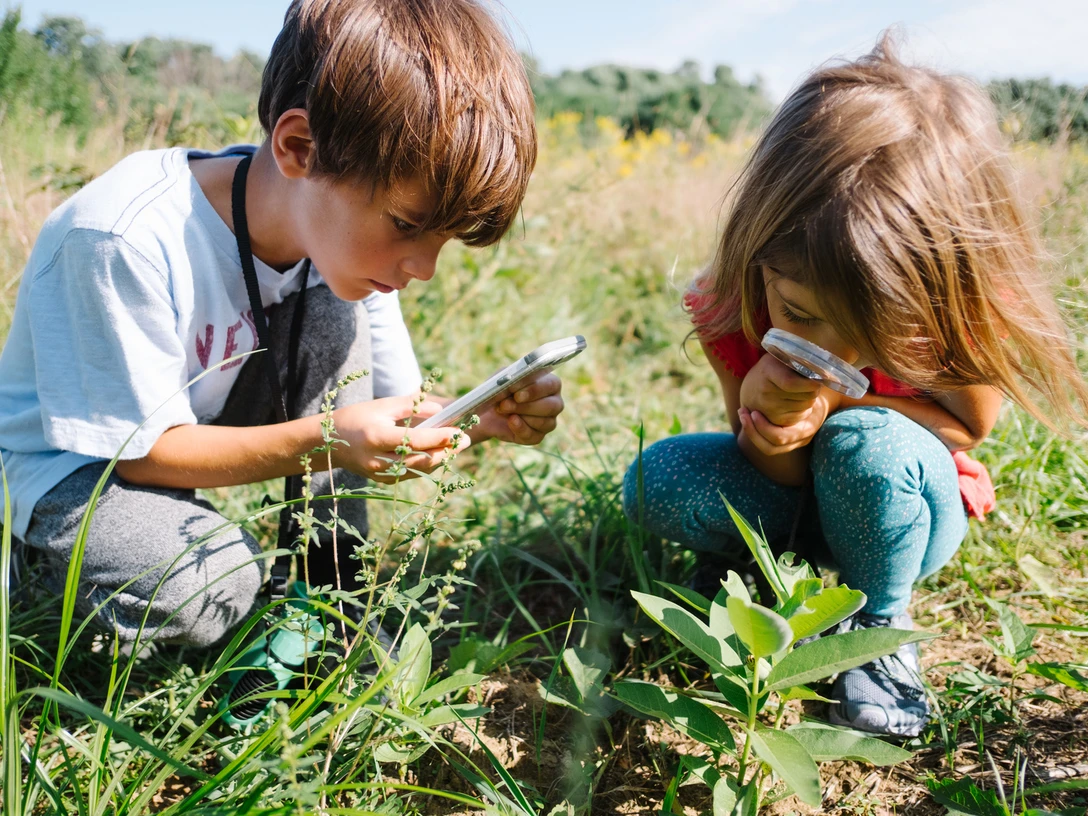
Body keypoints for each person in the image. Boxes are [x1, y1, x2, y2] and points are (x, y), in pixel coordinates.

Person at [0, 0, 562, 650]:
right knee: (211, 583)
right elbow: (147, 456)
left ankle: (328, 599)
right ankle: (41, 578)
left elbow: (390, 413)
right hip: (71, 471)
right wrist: (327, 439)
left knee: (333, 312)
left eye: (446, 239)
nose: (424, 268)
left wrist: (476, 418)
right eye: (408, 225)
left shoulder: (340, 253)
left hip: (182, 441)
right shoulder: (120, 236)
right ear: (299, 148)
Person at [623, 36, 1088, 737]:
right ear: (759, 247)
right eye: (801, 313)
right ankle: (772, 587)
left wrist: (843, 404)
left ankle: (878, 623)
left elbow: (966, 429)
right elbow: (770, 470)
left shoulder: (961, 309)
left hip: (902, 503)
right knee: (659, 479)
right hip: (791, 503)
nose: (827, 350)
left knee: (865, 445)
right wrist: (775, 422)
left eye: (878, 330)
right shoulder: (734, 306)